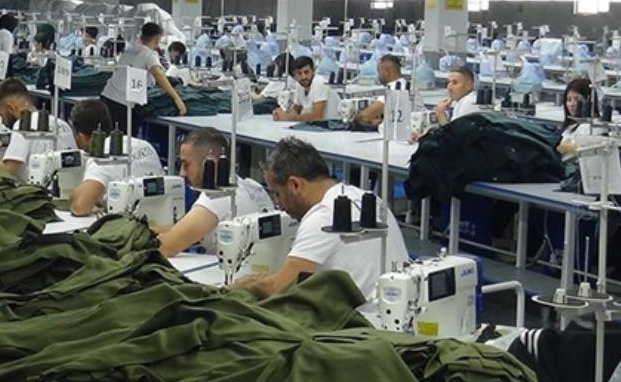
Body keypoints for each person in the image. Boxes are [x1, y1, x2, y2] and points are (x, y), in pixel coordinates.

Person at [233, 138, 408, 306]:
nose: (279, 206)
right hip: (391, 306)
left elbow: (278, 288)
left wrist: (236, 288)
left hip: (360, 321)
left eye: (277, 194)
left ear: (295, 185)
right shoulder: (367, 198)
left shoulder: (322, 217)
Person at [157, 127, 274, 256]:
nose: (182, 173)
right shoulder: (250, 185)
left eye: (186, 165)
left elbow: (165, 247)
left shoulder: (216, 198)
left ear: (210, 162)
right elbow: (183, 227)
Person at [68, 99, 164, 216]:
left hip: (133, 224)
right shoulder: (144, 145)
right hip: (158, 216)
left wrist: (74, 194)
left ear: (83, 137)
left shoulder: (102, 158)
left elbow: (80, 207)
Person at [0, 79, 76, 178]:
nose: (3, 122)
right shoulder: (63, 124)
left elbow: (9, 169)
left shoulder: (23, 126)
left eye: (2, 116)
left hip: (37, 189)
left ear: (10, 107)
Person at [101, 22, 187, 128]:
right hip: (122, 105)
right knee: (123, 139)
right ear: (157, 39)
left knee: (108, 138)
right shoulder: (149, 54)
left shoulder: (129, 51)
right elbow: (159, 75)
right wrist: (176, 98)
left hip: (106, 98)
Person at [272, 56, 328, 122]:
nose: (303, 77)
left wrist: (291, 118)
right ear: (294, 74)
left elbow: (317, 116)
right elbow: (296, 110)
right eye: (299, 73)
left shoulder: (319, 82)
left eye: (306, 72)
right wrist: (282, 113)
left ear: (313, 71)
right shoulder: (299, 85)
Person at [353, 54, 404, 127]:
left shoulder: (393, 89)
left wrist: (354, 118)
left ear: (386, 72)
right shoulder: (407, 86)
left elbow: (365, 116)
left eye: (379, 72)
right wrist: (382, 121)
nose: (378, 76)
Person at [556, 77, 595, 159]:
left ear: (588, 101)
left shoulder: (592, 127)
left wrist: (563, 146)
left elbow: (587, 150)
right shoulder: (570, 125)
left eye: (577, 99)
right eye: (569, 100)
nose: (572, 104)